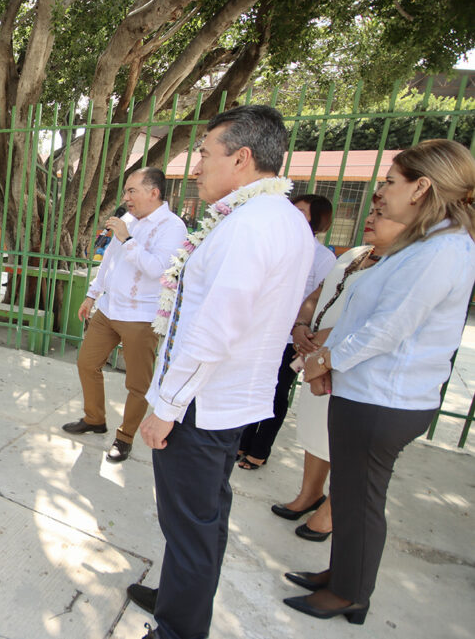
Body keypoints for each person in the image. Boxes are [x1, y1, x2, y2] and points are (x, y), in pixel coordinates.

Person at [128, 105, 313, 639]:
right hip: (220, 399)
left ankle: (177, 630)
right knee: (200, 518)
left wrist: (165, 408)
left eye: (205, 155)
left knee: (189, 525)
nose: (197, 167)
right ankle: (178, 597)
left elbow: (213, 331)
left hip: (201, 406)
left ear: (242, 158)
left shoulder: (253, 226)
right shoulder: (273, 218)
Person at [283, 139, 475, 625]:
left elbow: (389, 329)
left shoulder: (445, 250)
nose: (382, 191)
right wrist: (332, 363)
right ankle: (344, 575)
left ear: (422, 187)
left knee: (361, 499)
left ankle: (349, 594)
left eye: (391, 182)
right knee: (349, 494)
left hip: (385, 399)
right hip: (366, 391)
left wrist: (325, 360)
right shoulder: (425, 243)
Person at [271, 197, 398, 542]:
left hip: (350, 362)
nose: (370, 218)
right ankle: (310, 494)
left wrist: (326, 337)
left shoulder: (400, 265)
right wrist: (301, 325)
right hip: (315, 355)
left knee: (344, 440)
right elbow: (318, 292)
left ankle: (329, 513)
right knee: (315, 430)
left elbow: (380, 321)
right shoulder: (353, 254)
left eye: (380, 214)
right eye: (370, 212)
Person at [61, 167, 186, 464]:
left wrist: (128, 239)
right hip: (108, 309)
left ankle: (125, 437)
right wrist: (92, 295)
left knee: (137, 384)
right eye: (126, 191)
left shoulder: (173, 226)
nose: (126, 197)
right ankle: (94, 419)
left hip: (142, 316)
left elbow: (157, 268)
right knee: (86, 363)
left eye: (132, 191)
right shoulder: (127, 221)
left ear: (153, 192)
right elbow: (109, 263)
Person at [236, 194, 336, 469]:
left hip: (293, 339)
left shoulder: (324, 257)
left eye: (301, 212)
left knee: (277, 392)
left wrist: (303, 334)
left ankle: (260, 449)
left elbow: (320, 301)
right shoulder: (279, 248)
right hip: (264, 332)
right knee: (252, 387)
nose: (292, 215)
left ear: (317, 220)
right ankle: (242, 442)